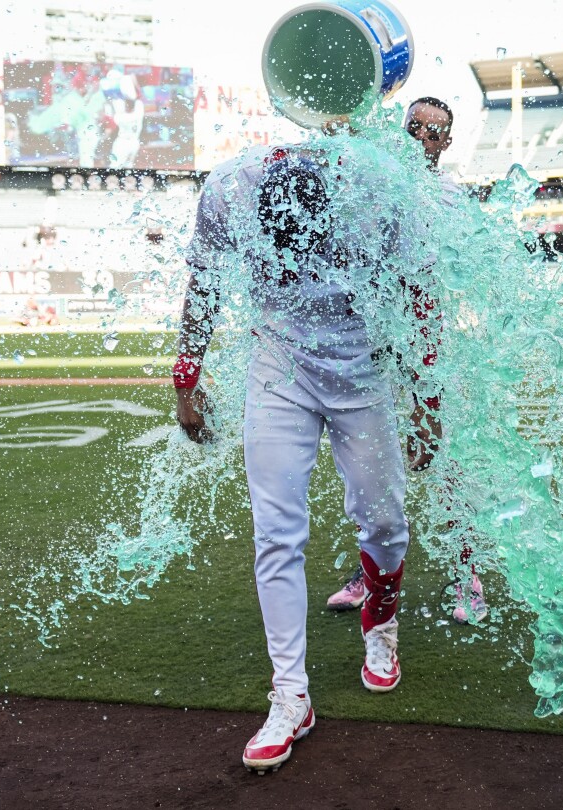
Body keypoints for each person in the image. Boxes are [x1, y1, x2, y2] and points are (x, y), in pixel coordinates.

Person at [174, 138, 439, 773]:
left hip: (366, 365)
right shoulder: (231, 189)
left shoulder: (378, 194)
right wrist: (187, 375)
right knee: (275, 532)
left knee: (384, 521)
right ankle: (290, 695)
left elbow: (418, 291)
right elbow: (205, 280)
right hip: (279, 366)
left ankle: (380, 627)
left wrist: (427, 398)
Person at [322, 97, 488, 624]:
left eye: (433, 132)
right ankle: (367, 573)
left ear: (447, 142)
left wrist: (430, 379)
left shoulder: (450, 199)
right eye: (413, 127)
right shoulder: (378, 185)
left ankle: (468, 574)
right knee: (372, 467)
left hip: (434, 349)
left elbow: (445, 285)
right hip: (377, 346)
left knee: (448, 466)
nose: (422, 138)